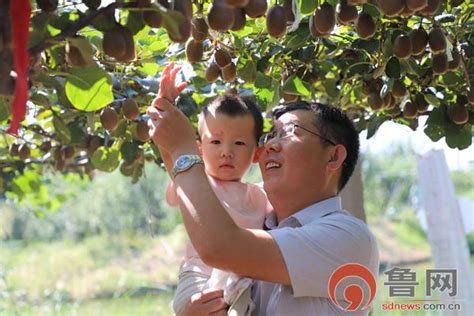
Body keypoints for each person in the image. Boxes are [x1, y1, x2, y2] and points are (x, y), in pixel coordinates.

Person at [148, 64, 379, 315]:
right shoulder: (261, 217)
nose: (270, 146)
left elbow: (221, 247)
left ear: (333, 157)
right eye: (270, 136)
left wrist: (184, 148)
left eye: (288, 133)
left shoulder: (347, 238)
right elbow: (195, 198)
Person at [166, 93, 272, 315]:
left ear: (257, 153)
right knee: (198, 305)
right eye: (215, 141)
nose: (227, 152)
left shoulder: (260, 195)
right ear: (199, 149)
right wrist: (166, 105)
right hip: (199, 273)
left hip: (241, 280)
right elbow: (173, 159)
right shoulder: (198, 183)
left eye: (239, 143)